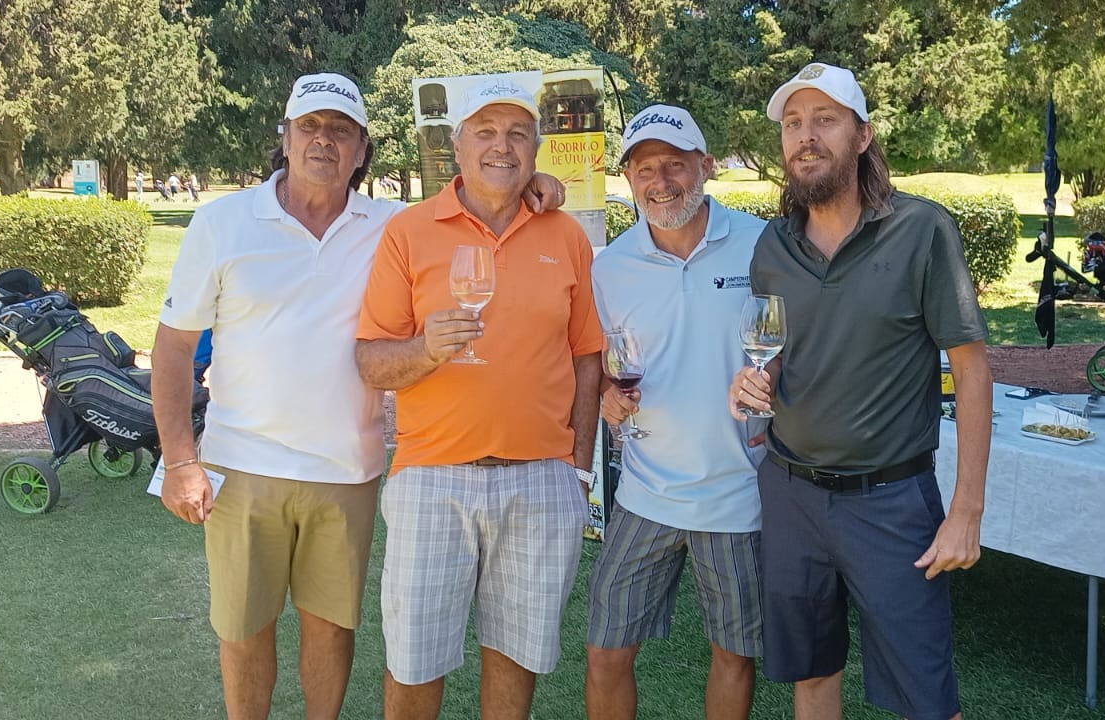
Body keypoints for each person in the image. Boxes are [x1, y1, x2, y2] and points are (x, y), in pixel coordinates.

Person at [152, 71, 565, 720]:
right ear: (284, 137)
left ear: (363, 149)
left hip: (347, 468)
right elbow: (174, 348)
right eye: (310, 126)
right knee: (242, 630)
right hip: (241, 462)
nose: (324, 141)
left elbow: (477, 199)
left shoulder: (394, 226)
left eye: (341, 130)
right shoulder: (221, 222)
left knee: (330, 629)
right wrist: (180, 461)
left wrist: (532, 185)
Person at [729, 62, 991, 720]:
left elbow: (972, 370)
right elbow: (779, 355)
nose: (805, 136)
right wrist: (754, 378)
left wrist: (965, 512)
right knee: (813, 675)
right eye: (793, 124)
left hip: (891, 503)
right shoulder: (772, 246)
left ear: (863, 134)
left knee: (926, 699)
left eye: (825, 120)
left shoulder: (923, 230)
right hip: (790, 494)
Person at [354, 76, 603, 720]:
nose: (503, 147)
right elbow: (372, 363)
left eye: (519, 133)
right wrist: (427, 351)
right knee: (413, 662)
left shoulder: (565, 235)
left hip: (542, 480)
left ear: (536, 149)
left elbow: (586, 356)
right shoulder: (409, 232)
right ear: (457, 147)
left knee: (516, 659)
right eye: (486, 132)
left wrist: (577, 465)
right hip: (432, 477)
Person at [585, 103, 768, 720]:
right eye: (643, 169)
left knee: (734, 654)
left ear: (707, 167)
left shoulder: (760, 245)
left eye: (674, 164)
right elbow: (600, 366)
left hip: (739, 494)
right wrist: (607, 393)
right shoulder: (608, 268)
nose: (659, 181)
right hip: (644, 492)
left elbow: (796, 346)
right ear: (628, 180)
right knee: (606, 650)